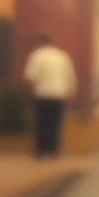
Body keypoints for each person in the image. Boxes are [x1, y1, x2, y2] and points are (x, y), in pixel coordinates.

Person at [23, 31, 76, 159]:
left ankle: (41, 151)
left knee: (42, 123)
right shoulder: (62, 56)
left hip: (42, 94)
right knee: (55, 124)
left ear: (40, 43)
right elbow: (70, 76)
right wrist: (69, 92)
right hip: (58, 94)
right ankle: (54, 151)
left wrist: (33, 89)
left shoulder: (36, 56)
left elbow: (30, 77)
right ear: (52, 42)